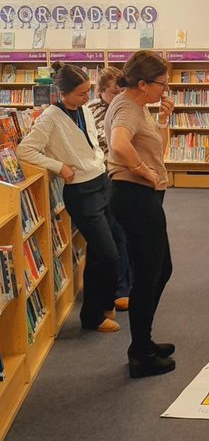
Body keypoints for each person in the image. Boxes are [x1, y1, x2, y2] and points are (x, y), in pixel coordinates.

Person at [17, 61, 119, 334]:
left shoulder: (84, 110)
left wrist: (99, 160)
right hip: (82, 193)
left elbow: (91, 142)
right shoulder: (50, 118)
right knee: (106, 254)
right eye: (81, 94)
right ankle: (93, 316)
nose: (87, 98)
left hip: (101, 182)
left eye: (88, 91)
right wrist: (58, 166)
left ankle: (101, 306)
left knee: (103, 251)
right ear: (63, 93)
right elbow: (25, 151)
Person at [105, 51, 175, 378]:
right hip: (134, 197)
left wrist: (162, 121)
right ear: (143, 83)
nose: (166, 88)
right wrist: (141, 170)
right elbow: (119, 143)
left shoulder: (138, 106)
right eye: (162, 83)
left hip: (142, 196)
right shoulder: (127, 106)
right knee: (149, 274)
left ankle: (143, 342)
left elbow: (156, 149)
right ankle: (141, 353)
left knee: (160, 270)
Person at [89, 66, 131, 312]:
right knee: (115, 232)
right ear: (101, 91)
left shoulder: (128, 107)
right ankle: (119, 287)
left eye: (121, 90)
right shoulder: (91, 111)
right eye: (113, 91)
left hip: (124, 174)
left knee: (123, 231)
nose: (118, 95)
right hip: (102, 175)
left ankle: (124, 286)